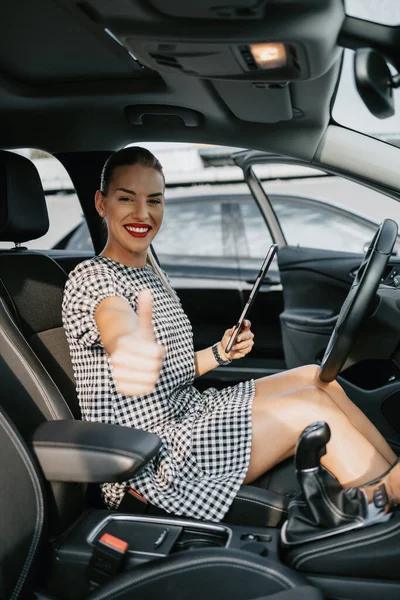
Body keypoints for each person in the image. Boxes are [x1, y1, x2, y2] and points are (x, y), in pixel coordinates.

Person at [62, 146, 400, 523]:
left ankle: (389, 480)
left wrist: (220, 353)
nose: (142, 214)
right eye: (127, 198)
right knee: (313, 410)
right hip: (152, 458)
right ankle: (380, 508)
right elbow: (114, 318)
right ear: (101, 203)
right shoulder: (91, 277)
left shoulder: (153, 275)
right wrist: (126, 345)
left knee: (315, 378)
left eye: (154, 200)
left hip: (189, 412)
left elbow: (170, 373)